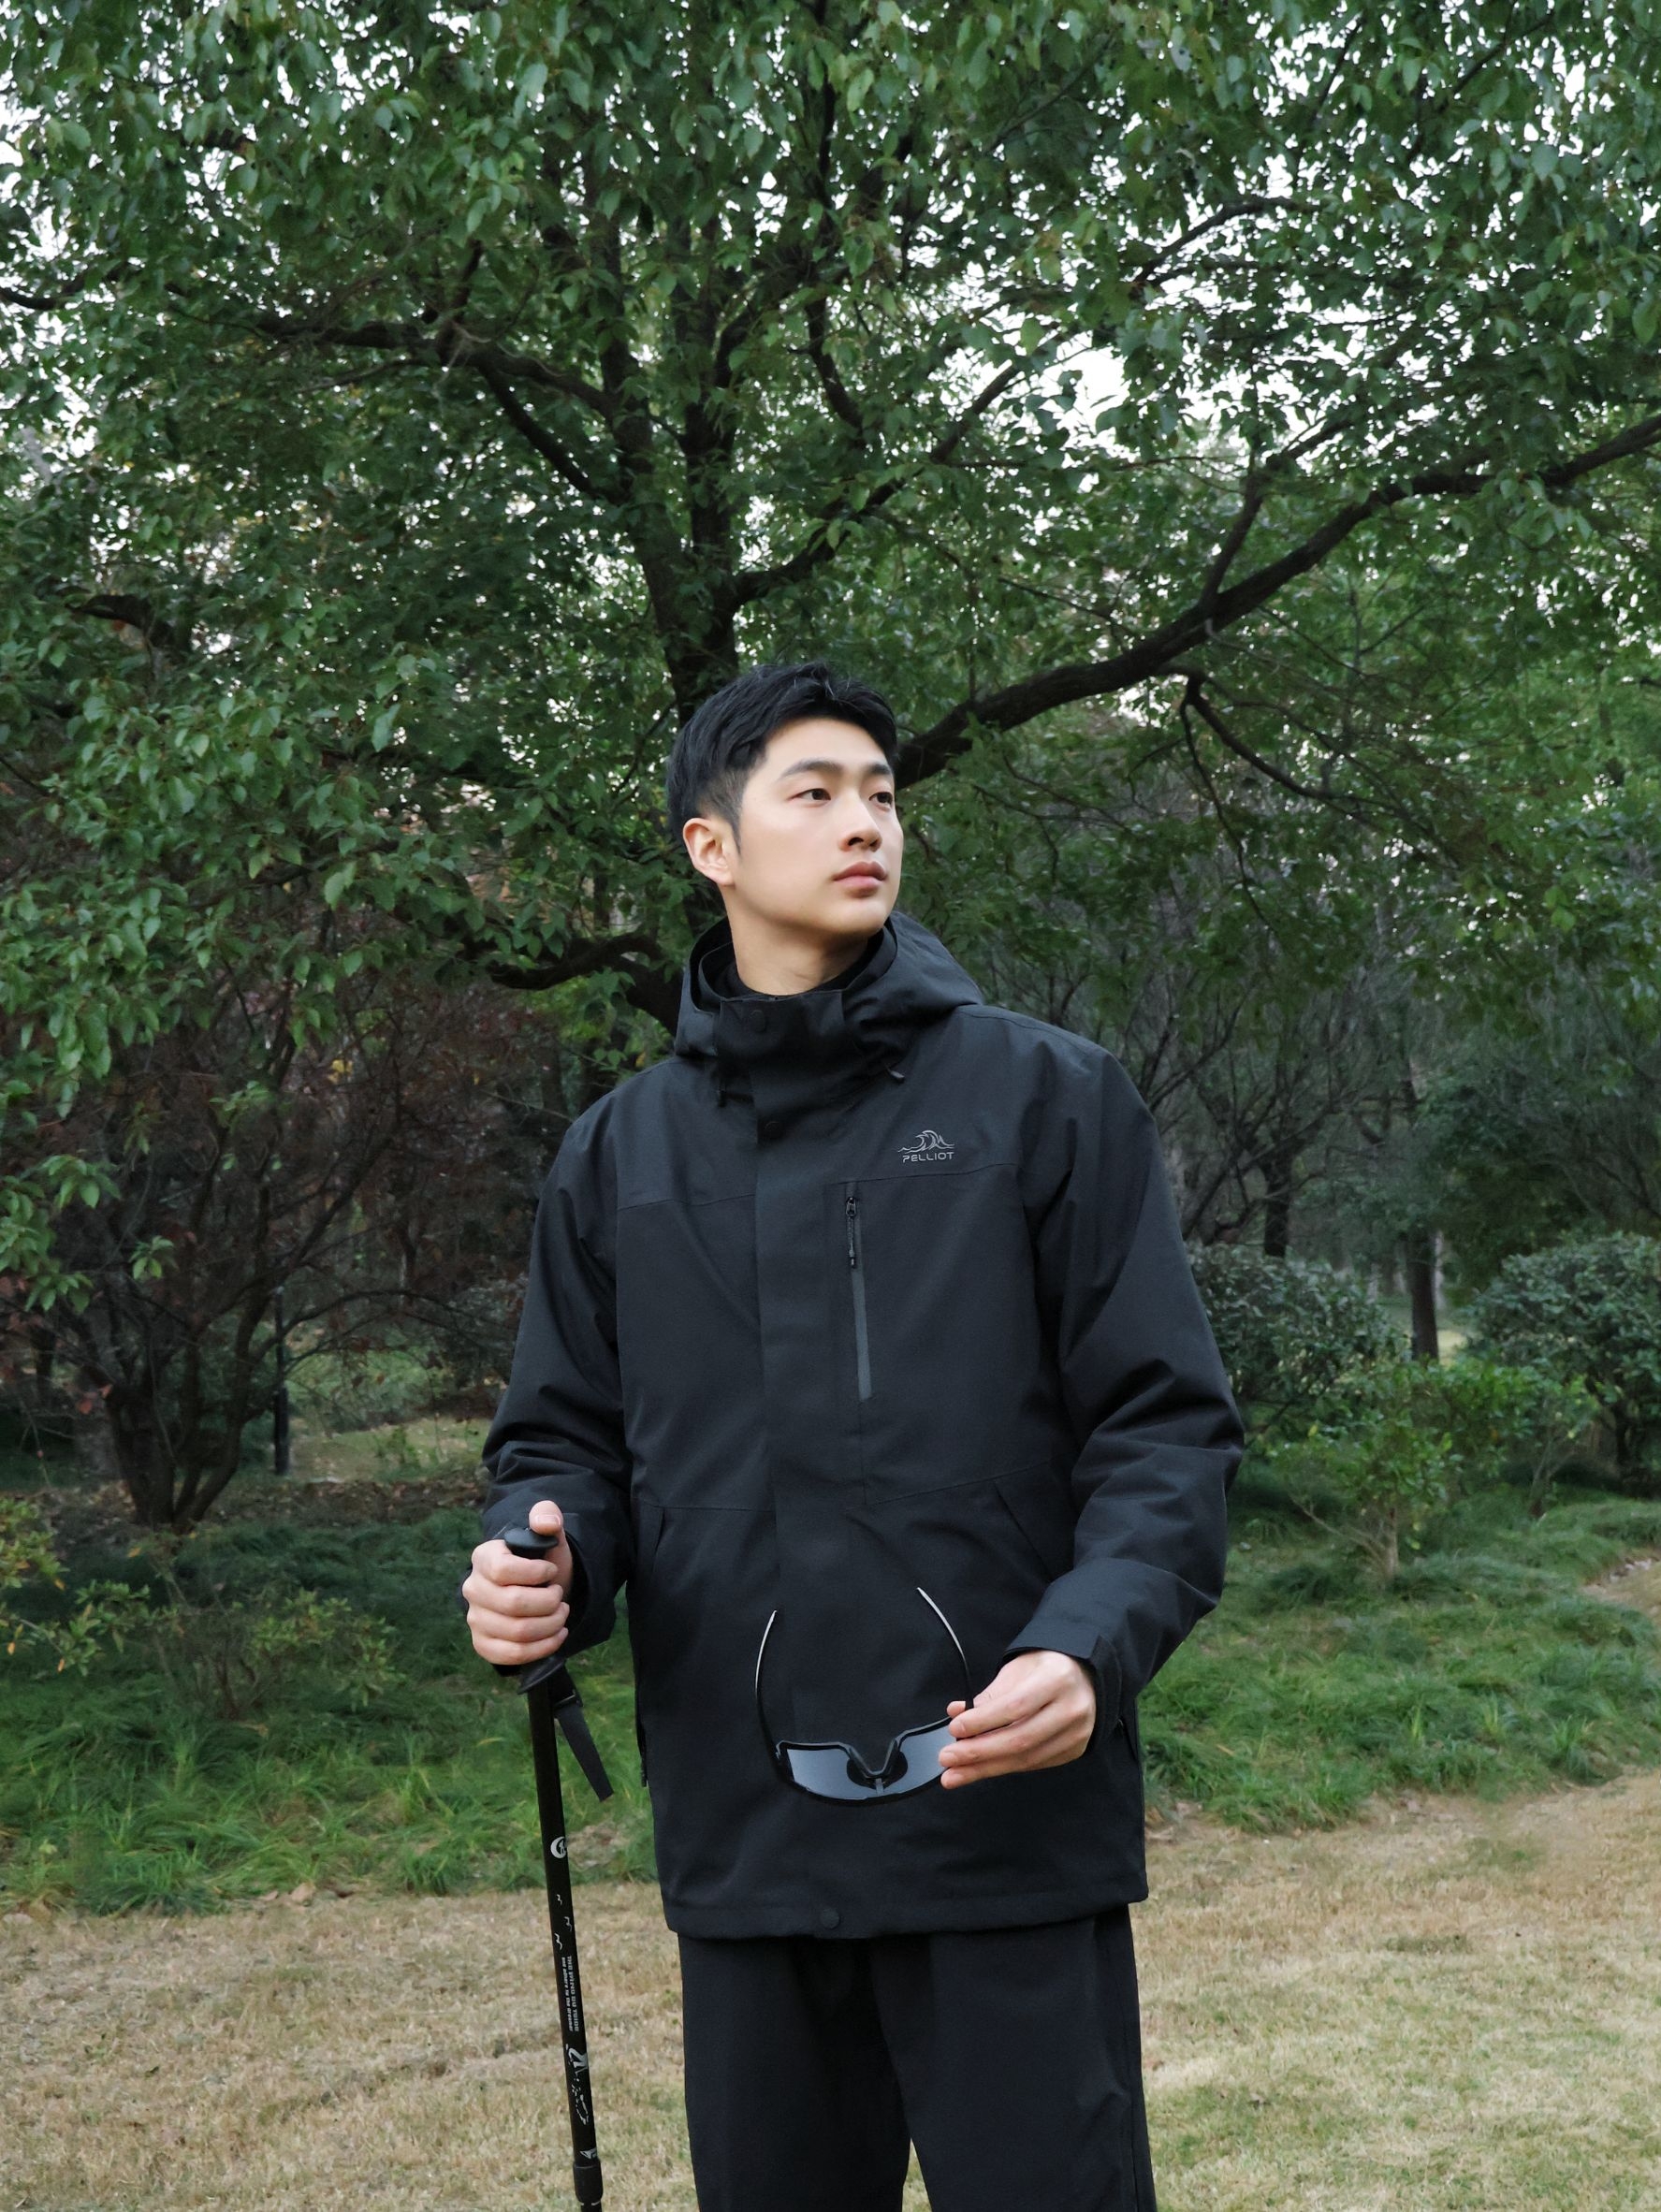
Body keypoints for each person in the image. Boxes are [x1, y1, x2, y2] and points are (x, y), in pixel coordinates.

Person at [460, 660, 1243, 2211]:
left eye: (881, 793)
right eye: (813, 793)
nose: (864, 822)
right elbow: (561, 1448)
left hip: (1003, 1826)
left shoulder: (1049, 1100)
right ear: (712, 845)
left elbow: (1165, 1431)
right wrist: (538, 1565)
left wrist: (1088, 1646)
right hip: (749, 1842)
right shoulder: (616, 1158)